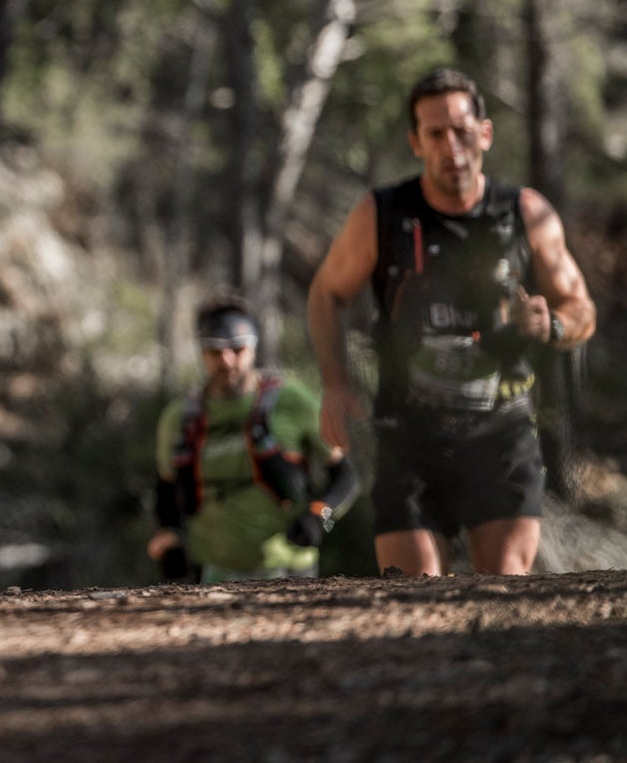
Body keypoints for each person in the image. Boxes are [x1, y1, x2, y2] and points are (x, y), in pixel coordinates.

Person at [307, 67, 597, 576]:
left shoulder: (525, 213)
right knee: (411, 592)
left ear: (484, 133)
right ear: (415, 143)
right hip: (409, 432)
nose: (452, 146)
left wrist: (550, 325)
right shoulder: (383, 215)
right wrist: (334, 383)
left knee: (505, 587)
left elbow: (582, 309)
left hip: (502, 429)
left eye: (462, 130)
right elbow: (325, 291)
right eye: (435, 134)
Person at [148, 296, 360, 584]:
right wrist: (169, 538)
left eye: (237, 349)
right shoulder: (179, 418)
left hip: (289, 572)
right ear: (202, 352)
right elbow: (166, 488)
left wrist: (320, 516)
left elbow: (345, 476)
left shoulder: (293, 402)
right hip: (207, 575)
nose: (227, 361)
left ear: (254, 347)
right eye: (215, 351)